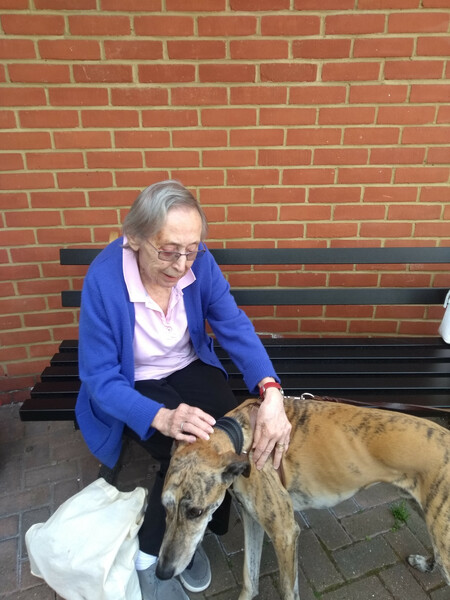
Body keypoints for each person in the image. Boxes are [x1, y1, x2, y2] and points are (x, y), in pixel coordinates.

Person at [75, 180, 291, 600]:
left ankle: (193, 533)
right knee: (178, 448)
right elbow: (99, 378)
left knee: (226, 445)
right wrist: (160, 416)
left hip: (189, 364)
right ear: (133, 238)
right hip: (132, 381)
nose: (182, 264)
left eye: (192, 249)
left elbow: (232, 324)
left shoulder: (200, 264)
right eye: (169, 250)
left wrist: (271, 390)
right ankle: (151, 556)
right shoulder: (104, 279)